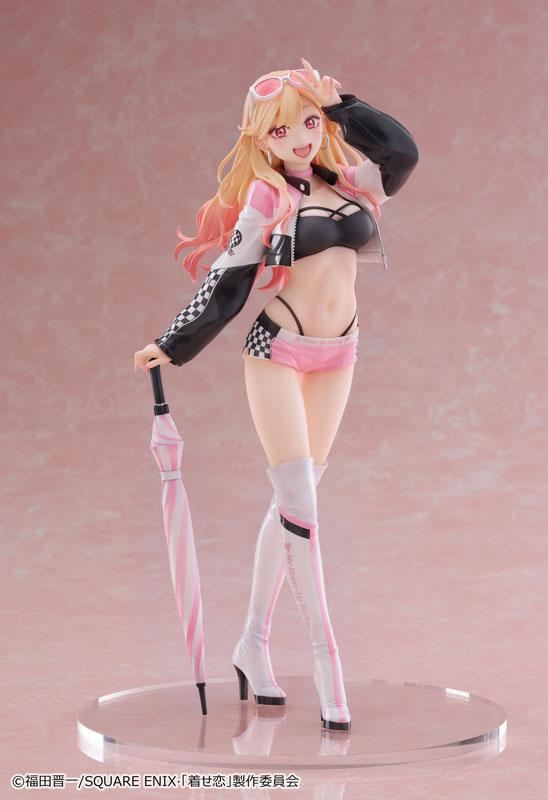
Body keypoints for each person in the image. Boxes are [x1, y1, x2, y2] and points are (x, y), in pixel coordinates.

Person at [134, 58, 419, 731]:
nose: (299, 138)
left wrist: (342, 104)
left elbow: (401, 152)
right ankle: (327, 666)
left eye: (309, 123)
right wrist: (172, 342)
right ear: (260, 138)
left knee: (295, 502)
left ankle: (251, 646)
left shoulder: (350, 180)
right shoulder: (266, 198)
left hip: (339, 353)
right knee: (301, 508)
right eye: (282, 129)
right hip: (277, 352)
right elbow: (228, 281)